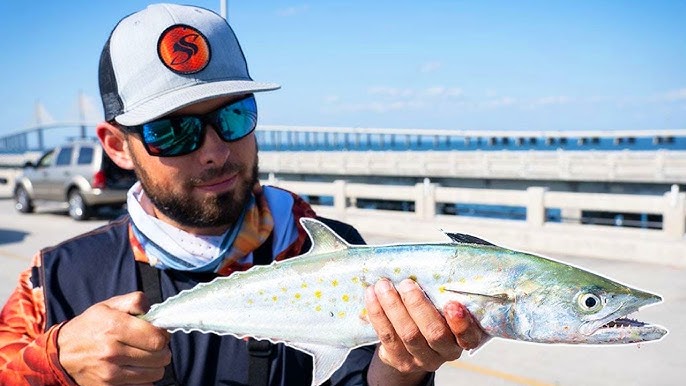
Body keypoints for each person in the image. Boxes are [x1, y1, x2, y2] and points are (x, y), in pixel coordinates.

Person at [0, 3, 483, 385]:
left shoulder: (331, 248)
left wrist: (401, 371)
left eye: (234, 117)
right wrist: (52, 367)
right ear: (116, 147)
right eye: (172, 132)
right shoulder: (56, 278)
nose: (214, 152)